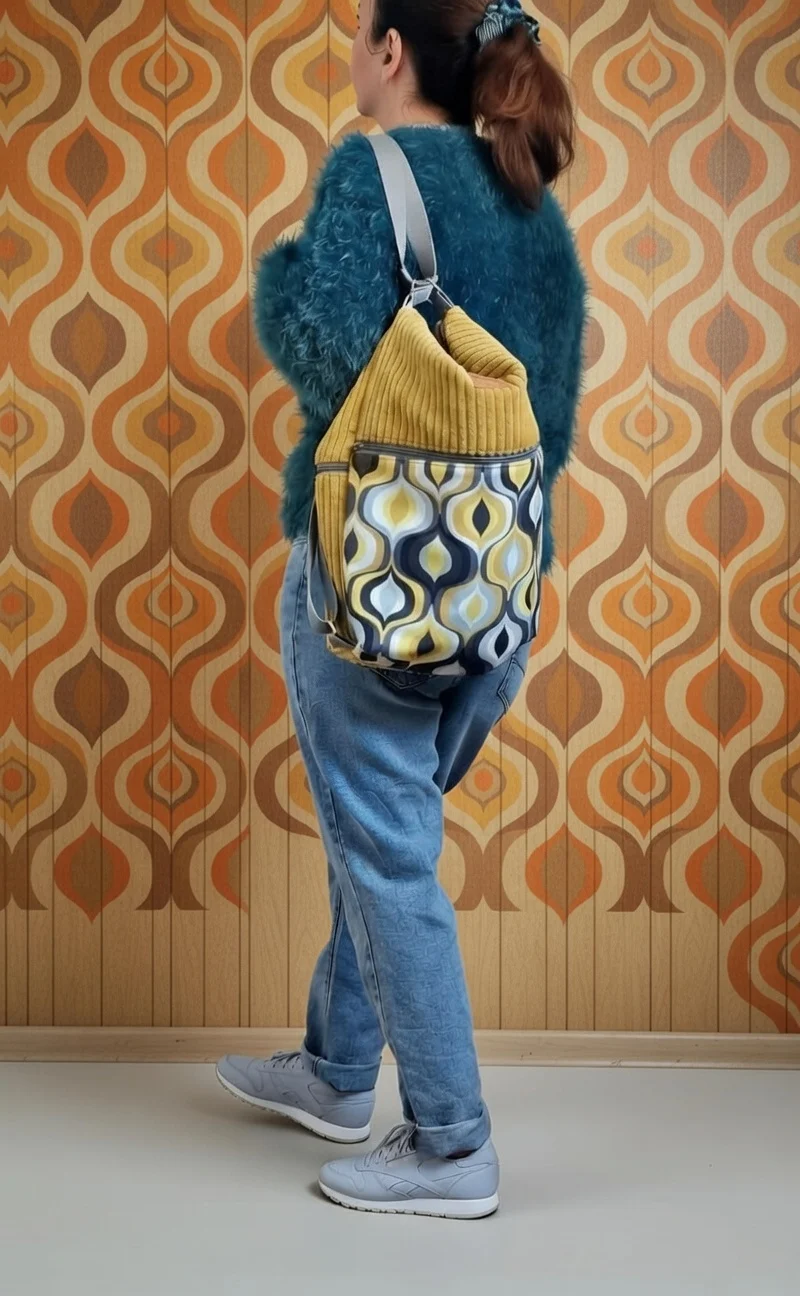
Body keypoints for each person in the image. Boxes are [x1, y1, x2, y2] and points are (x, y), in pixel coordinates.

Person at [216, 0, 588, 1219]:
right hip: (499, 583)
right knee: (385, 833)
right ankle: (334, 1069)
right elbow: (550, 412)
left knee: (382, 849)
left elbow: (322, 346)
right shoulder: (530, 201)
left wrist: (281, 277)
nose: (351, 57)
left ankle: (448, 1146)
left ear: (389, 52)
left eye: (356, 36)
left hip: (366, 575)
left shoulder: (369, 171)